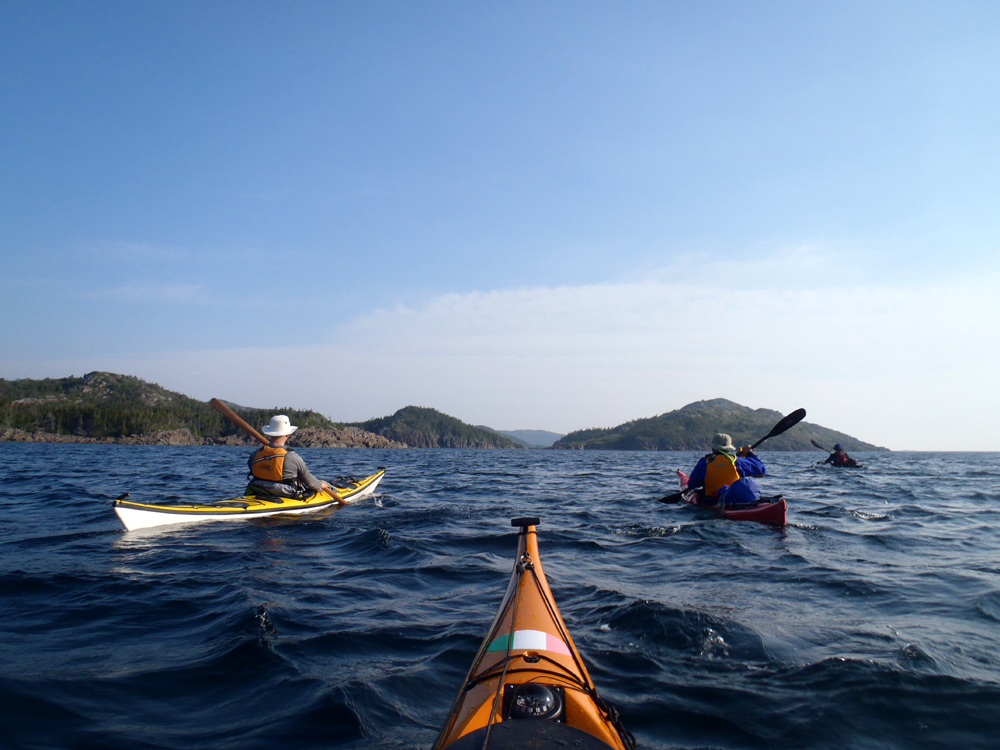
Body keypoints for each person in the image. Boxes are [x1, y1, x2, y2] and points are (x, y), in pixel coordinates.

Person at [247, 415, 343, 502]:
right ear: (287, 434)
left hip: (257, 490)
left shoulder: (255, 454)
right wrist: (320, 484)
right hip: (285, 495)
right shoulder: (292, 457)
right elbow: (310, 482)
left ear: (270, 433)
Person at [687, 433, 767, 506]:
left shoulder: (704, 462)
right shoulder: (736, 461)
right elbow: (762, 470)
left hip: (712, 502)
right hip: (736, 501)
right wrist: (749, 453)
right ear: (729, 448)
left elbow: (692, 484)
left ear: (713, 447)